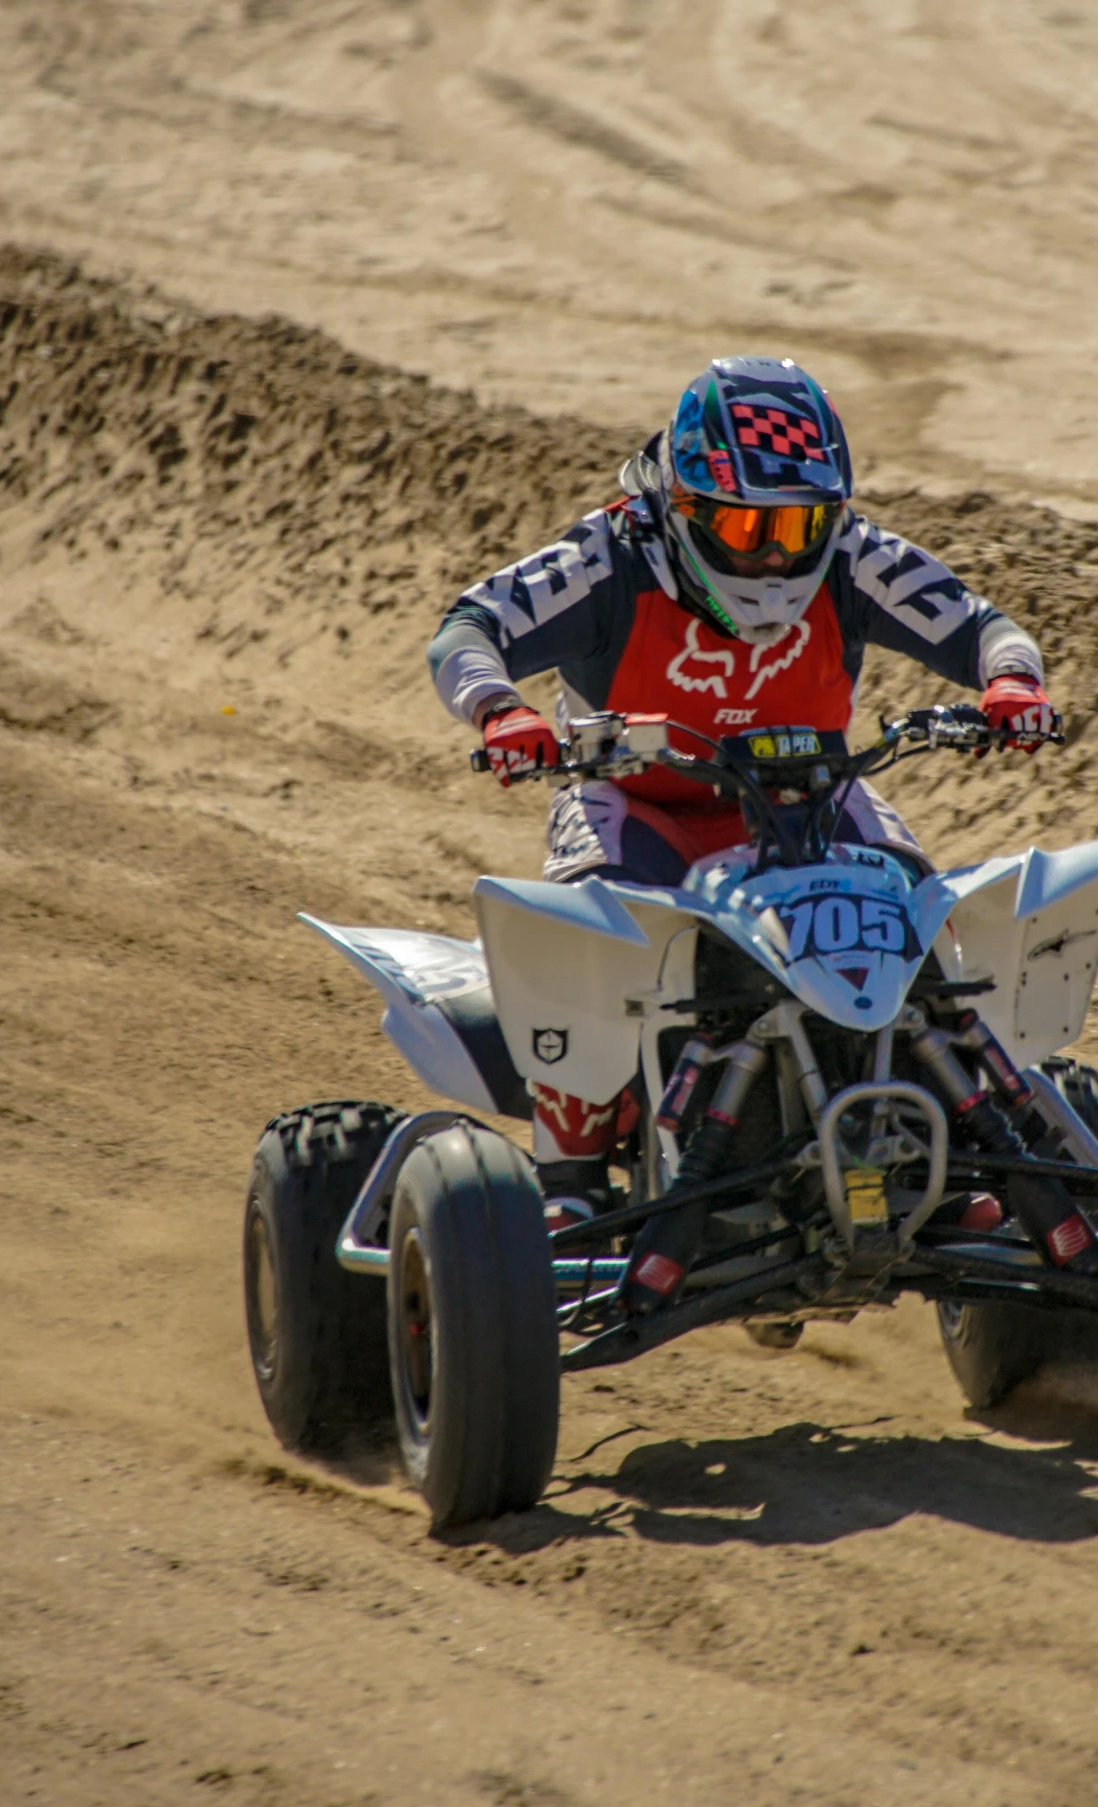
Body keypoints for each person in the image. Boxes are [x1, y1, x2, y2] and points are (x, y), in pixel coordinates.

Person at [427, 357, 1058, 1227]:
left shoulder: (854, 555)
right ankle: (569, 1181)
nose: (772, 552)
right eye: (744, 522)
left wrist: (1011, 685)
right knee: (594, 943)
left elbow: (982, 625)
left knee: (926, 922)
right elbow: (470, 626)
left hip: (814, 797)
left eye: (797, 526)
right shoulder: (609, 556)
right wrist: (499, 711)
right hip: (637, 804)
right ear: (681, 504)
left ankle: (947, 1151)